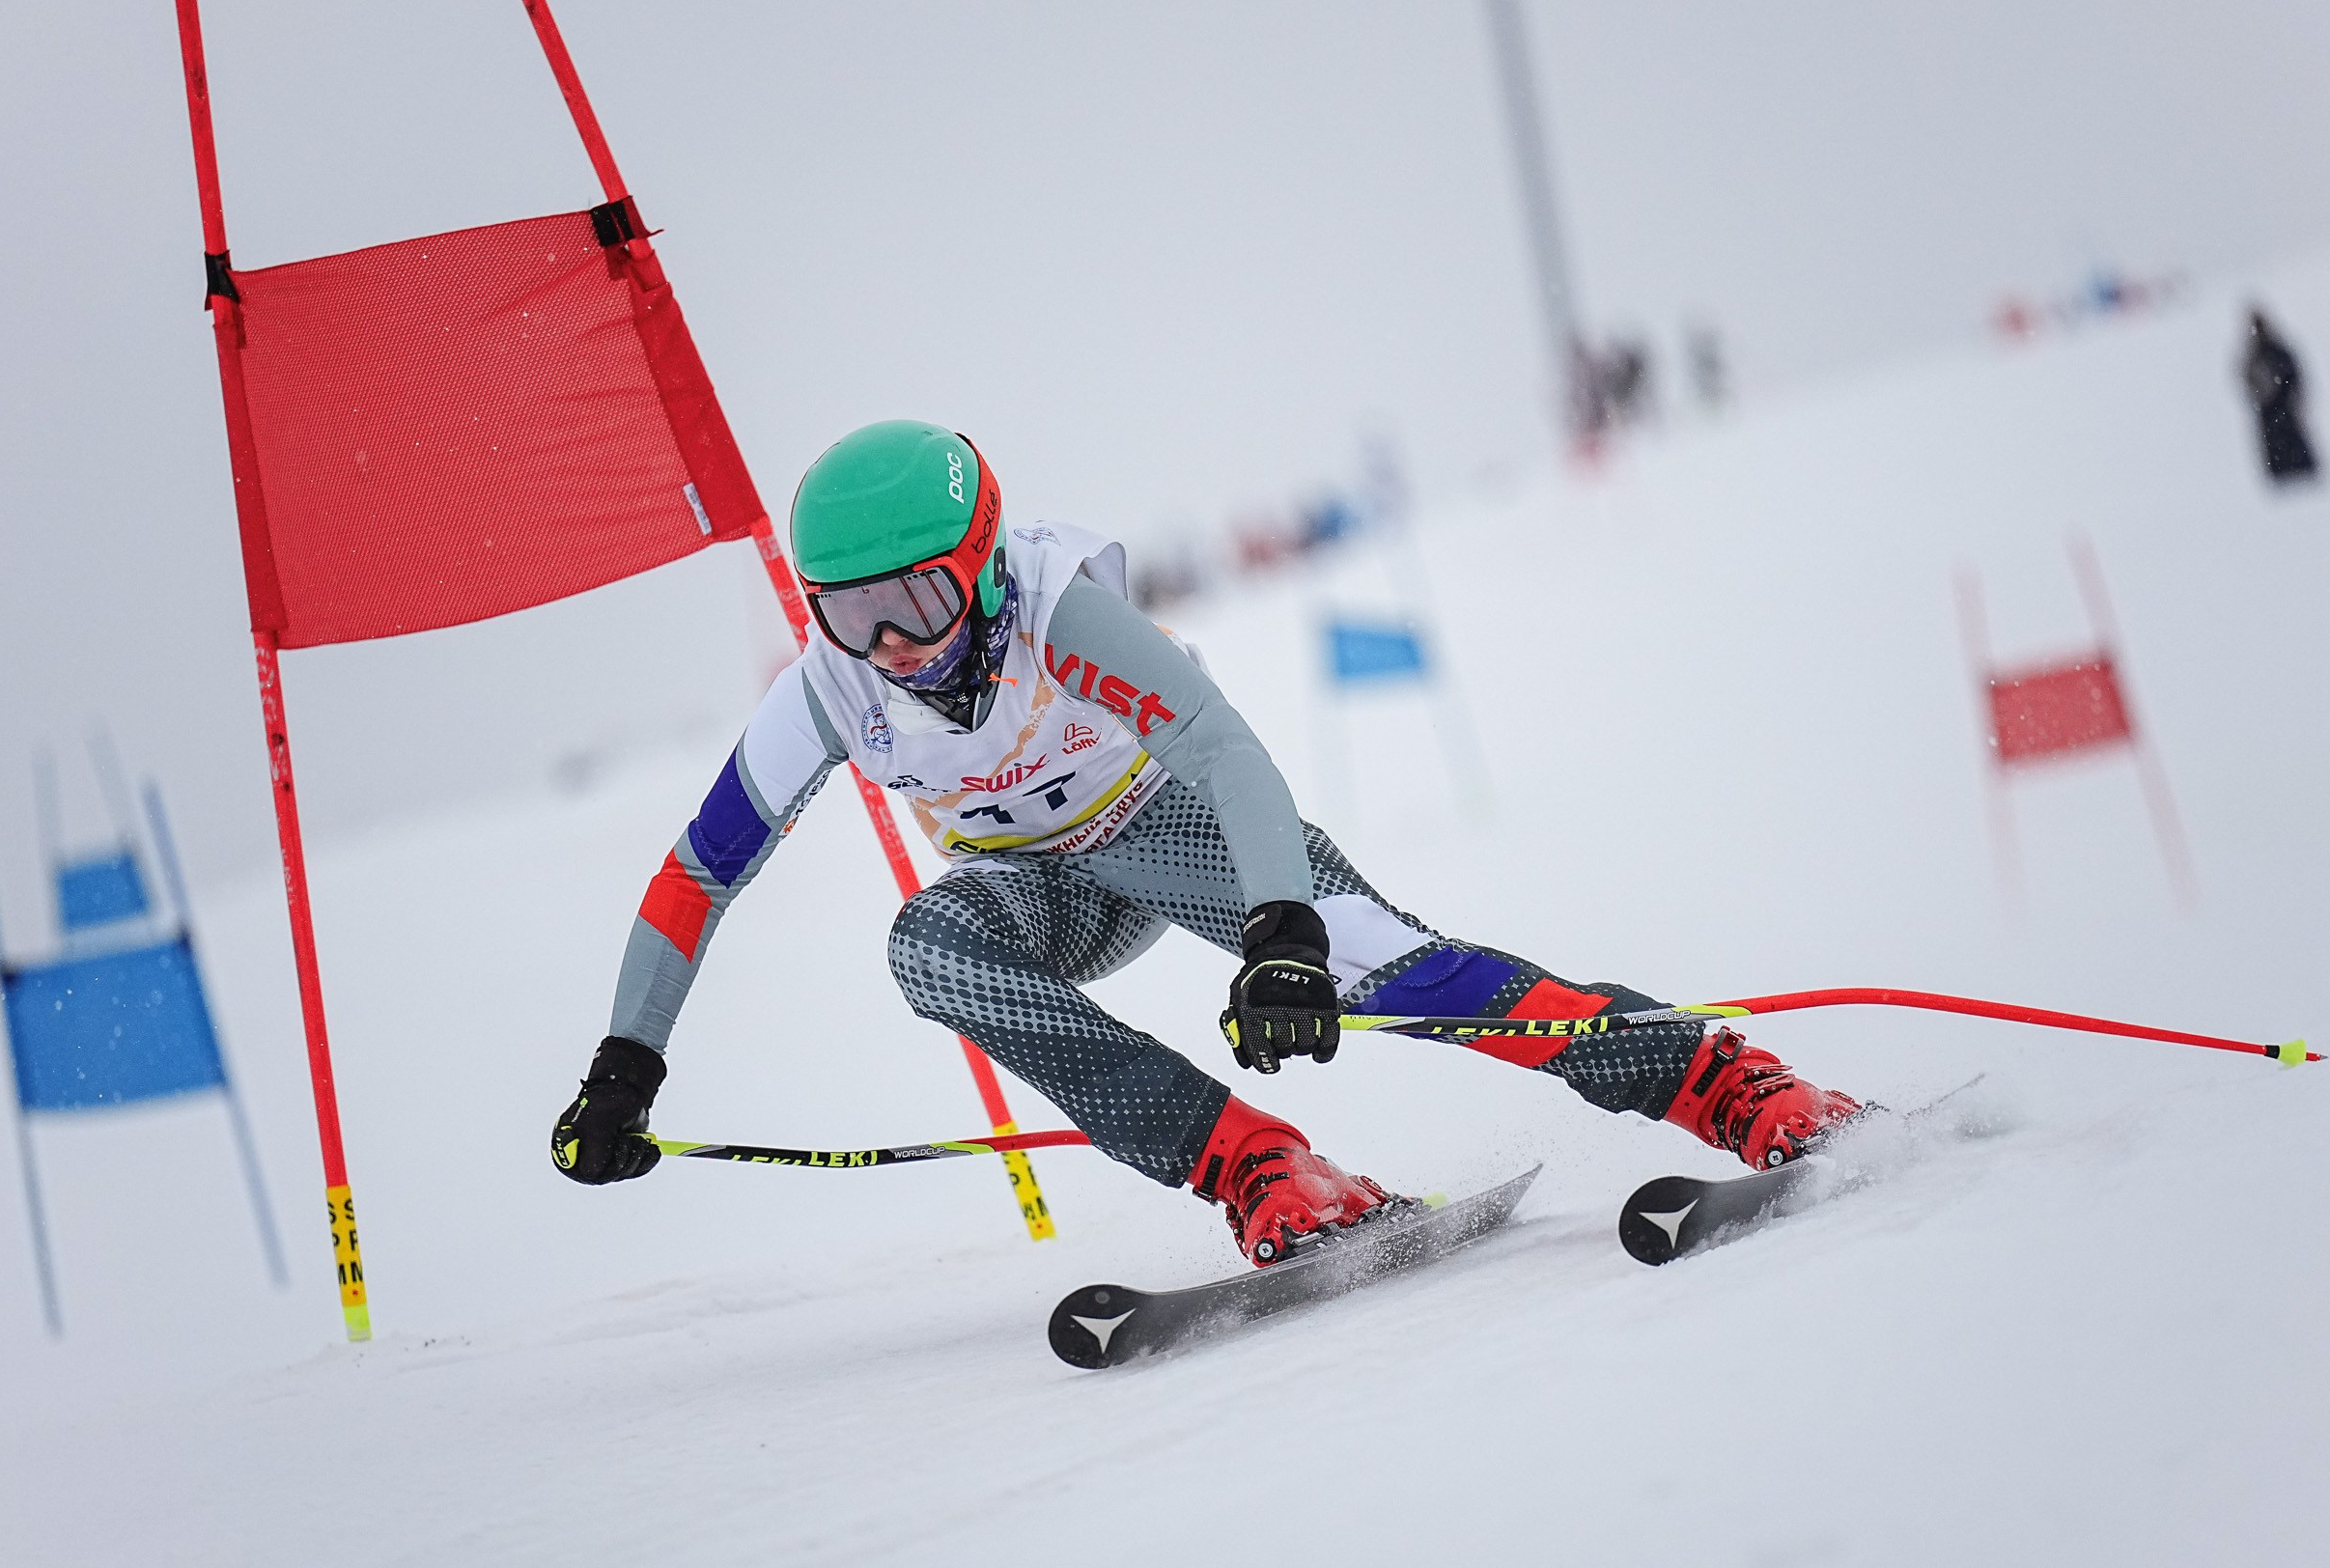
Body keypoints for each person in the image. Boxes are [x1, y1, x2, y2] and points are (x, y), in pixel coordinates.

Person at [551, 421, 1861, 1265]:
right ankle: (1261, 1167)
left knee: (1385, 972)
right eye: (852, 613)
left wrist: (1283, 934)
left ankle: (1720, 1079)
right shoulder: (831, 689)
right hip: (1036, 888)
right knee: (928, 947)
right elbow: (698, 872)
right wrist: (626, 1063)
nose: (891, 643)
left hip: (1173, 828)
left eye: (918, 599)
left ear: (982, 564)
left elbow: (1223, 751)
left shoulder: (1055, 609)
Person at [2241, 308, 2319, 485]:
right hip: (2269, 407)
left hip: (2283, 404)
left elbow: (2293, 373)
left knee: (2290, 437)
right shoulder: (2254, 353)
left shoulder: (2275, 348)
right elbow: (2248, 380)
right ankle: (2283, 473)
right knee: (2276, 442)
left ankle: (2300, 470)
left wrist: (2291, 394)